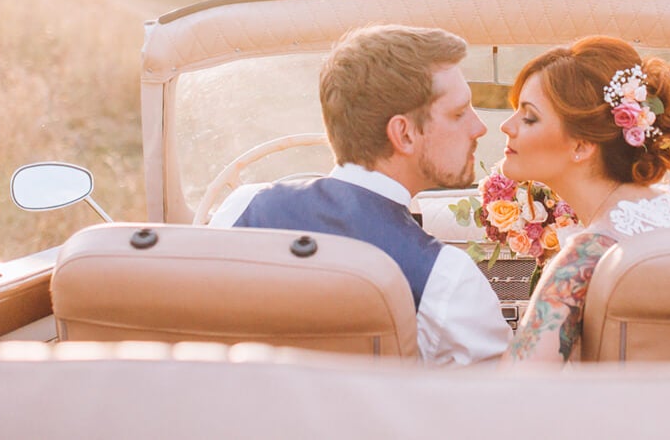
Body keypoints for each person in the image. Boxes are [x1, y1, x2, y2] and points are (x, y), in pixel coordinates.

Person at [208, 24, 512, 366]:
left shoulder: (244, 206)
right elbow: (499, 403)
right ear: (404, 134)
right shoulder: (446, 278)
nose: (479, 127)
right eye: (459, 113)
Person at [500, 36, 670, 364]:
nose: (507, 127)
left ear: (581, 145)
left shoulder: (581, 262)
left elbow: (515, 387)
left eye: (529, 117)